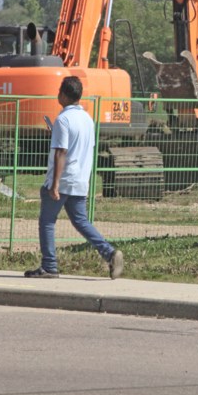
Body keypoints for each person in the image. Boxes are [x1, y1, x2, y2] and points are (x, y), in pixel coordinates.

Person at [25, 76, 123, 279]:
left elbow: (61, 152)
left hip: (63, 179)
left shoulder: (63, 119)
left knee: (47, 222)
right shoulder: (87, 119)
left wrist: (54, 185)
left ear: (63, 94)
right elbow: (82, 147)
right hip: (80, 179)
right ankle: (109, 253)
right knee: (81, 221)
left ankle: (49, 265)